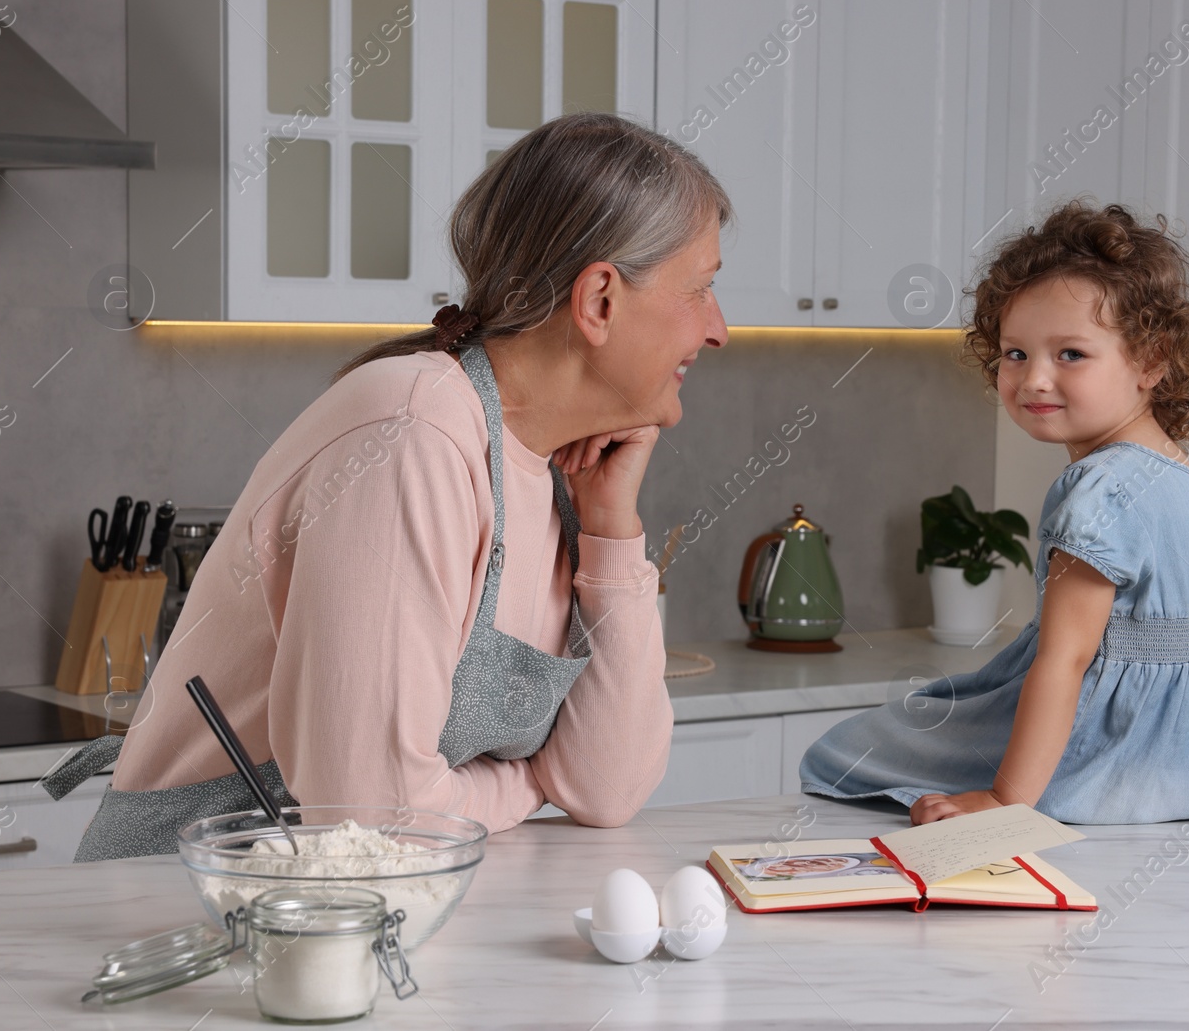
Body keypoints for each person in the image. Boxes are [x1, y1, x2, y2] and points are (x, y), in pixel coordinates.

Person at [41, 112, 732, 859]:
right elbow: (371, 813)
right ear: (599, 299)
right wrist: (532, 780)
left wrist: (611, 527)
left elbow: (605, 786)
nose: (719, 328)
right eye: (701, 289)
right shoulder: (413, 434)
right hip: (177, 915)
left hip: (342, 916)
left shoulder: (560, 474)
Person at [799, 198, 1189, 826]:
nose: (1034, 379)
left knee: (849, 753)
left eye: (1070, 354)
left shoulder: (1099, 488)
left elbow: (1066, 660)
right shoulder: (1183, 474)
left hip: (1110, 756)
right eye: (1016, 353)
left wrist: (1004, 800)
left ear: (1151, 361)